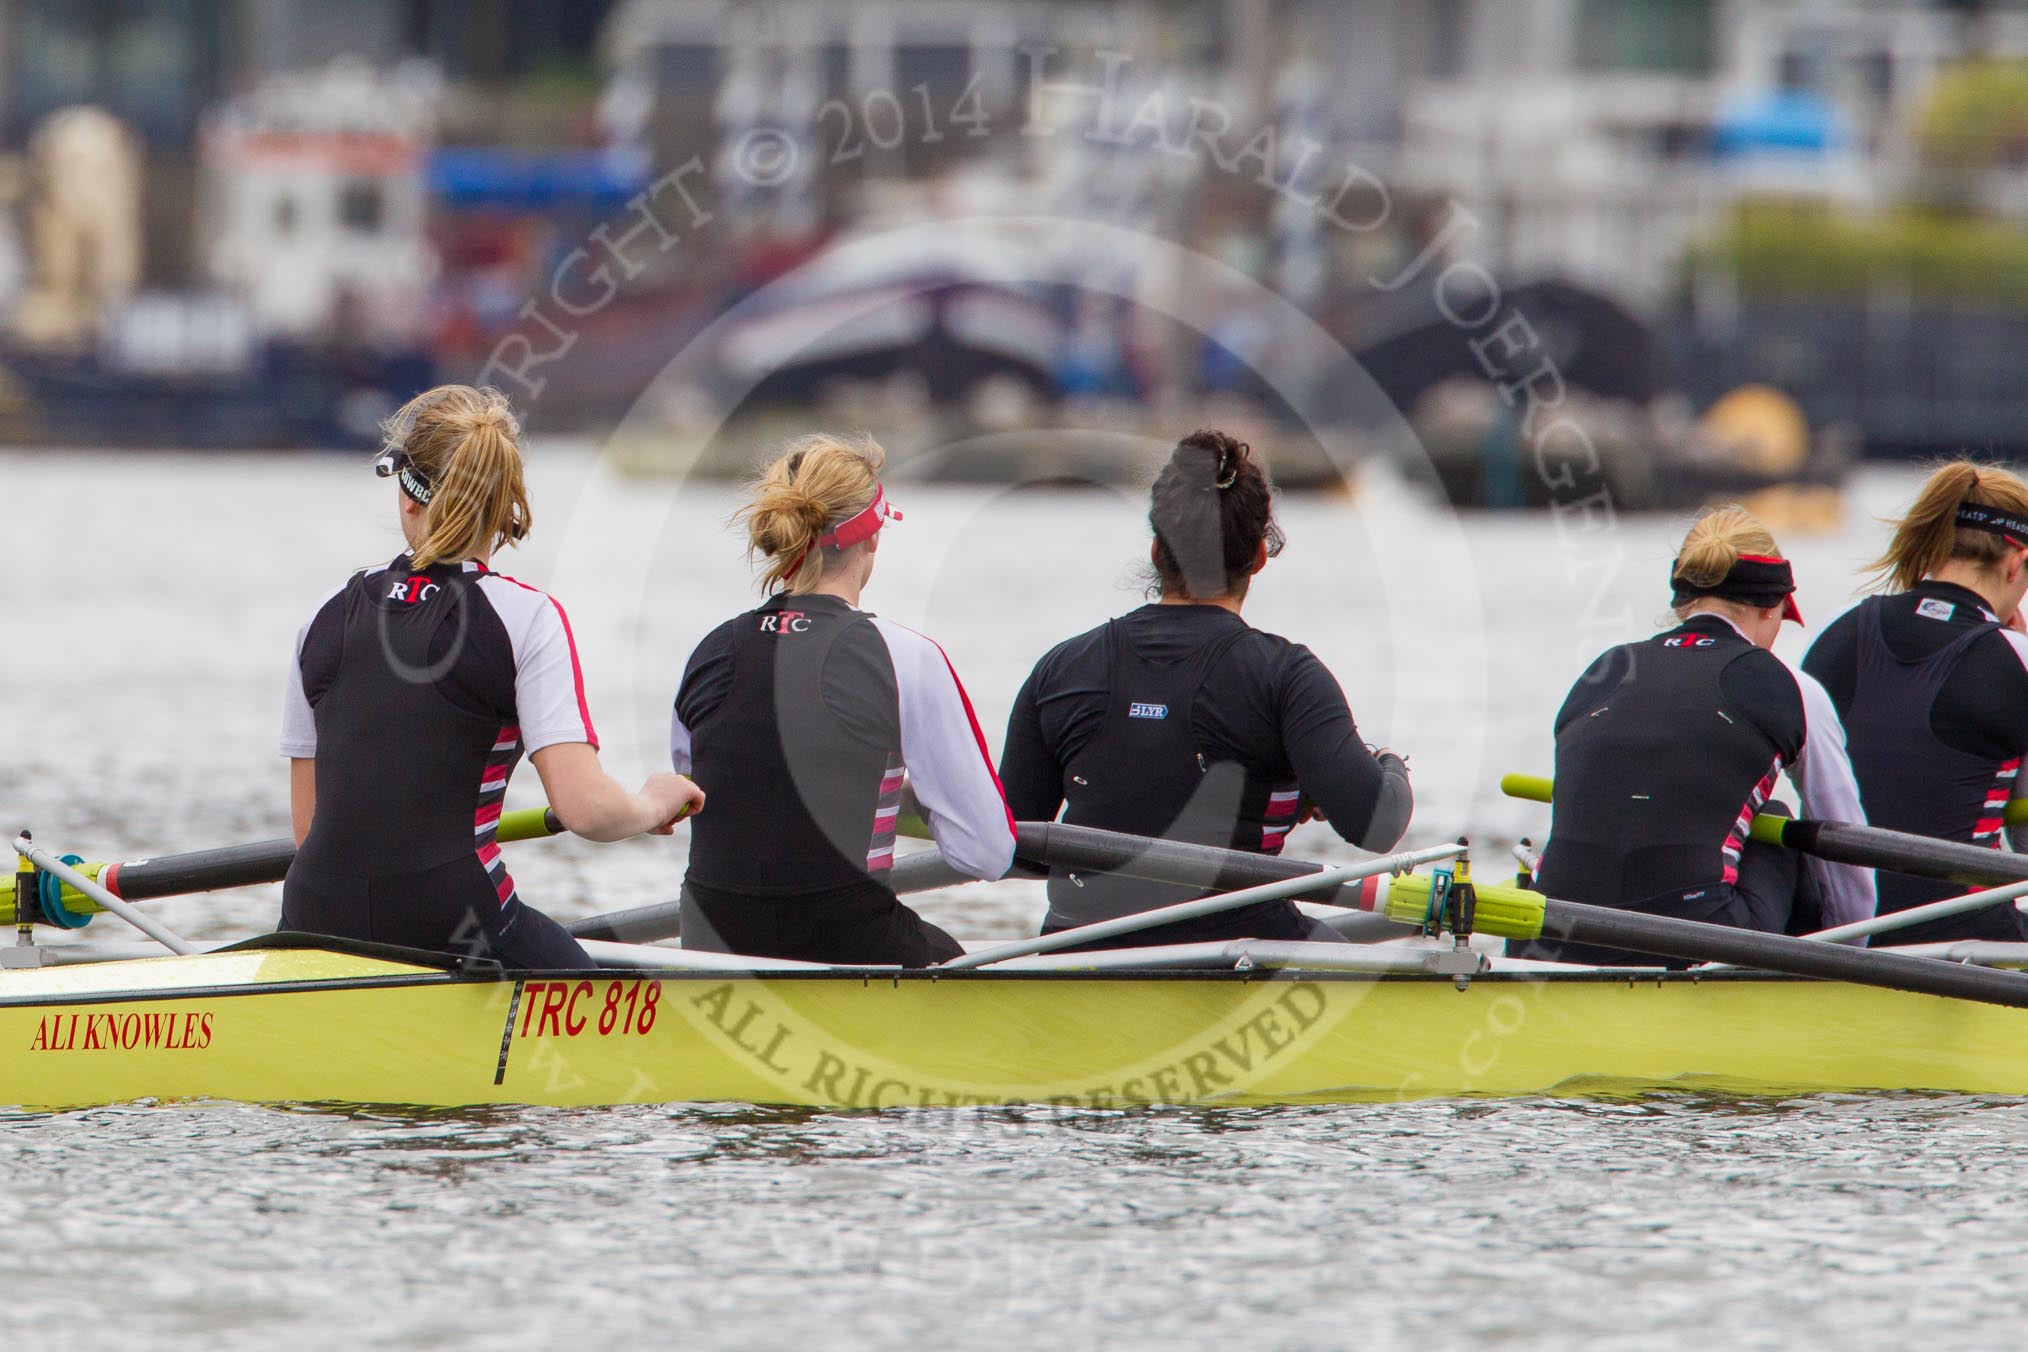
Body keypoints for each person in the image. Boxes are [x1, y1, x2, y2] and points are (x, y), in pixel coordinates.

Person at [281, 385, 704, 968]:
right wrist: (652, 803)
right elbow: (585, 811)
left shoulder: (324, 614)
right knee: (612, 999)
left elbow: (310, 832)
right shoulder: (525, 618)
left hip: (313, 920)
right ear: (506, 506)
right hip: (457, 926)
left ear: (407, 498)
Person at [997, 430, 1413, 949]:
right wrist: (1387, 763)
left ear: (1156, 549)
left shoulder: (1060, 668)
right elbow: (1376, 826)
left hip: (1073, 953)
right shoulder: (1287, 675)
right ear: (1260, 555)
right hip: (1236, 953)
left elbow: (1017, 846)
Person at [672, 433, 1014, 965]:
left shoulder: (709, 652)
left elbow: (706, 790)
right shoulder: (905, 656)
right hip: (845, 941)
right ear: (873, 535)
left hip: (708, 943)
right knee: (965, 962)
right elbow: (987, 853)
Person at [1518, 507, 1874, 965]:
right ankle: (1799, 990)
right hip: (1698, 943)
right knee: (1777, 823)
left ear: (1683, 602)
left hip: (1547, 937)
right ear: (1773, 606)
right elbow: (1849, 871)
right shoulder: (1794, 688)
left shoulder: (1601, 673)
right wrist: (1852, 959)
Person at [1801, 461, 2028, 945]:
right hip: (1966, 942)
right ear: (2015, 562)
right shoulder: (2016, 660)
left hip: (1831, 937)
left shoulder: (1839, 633)